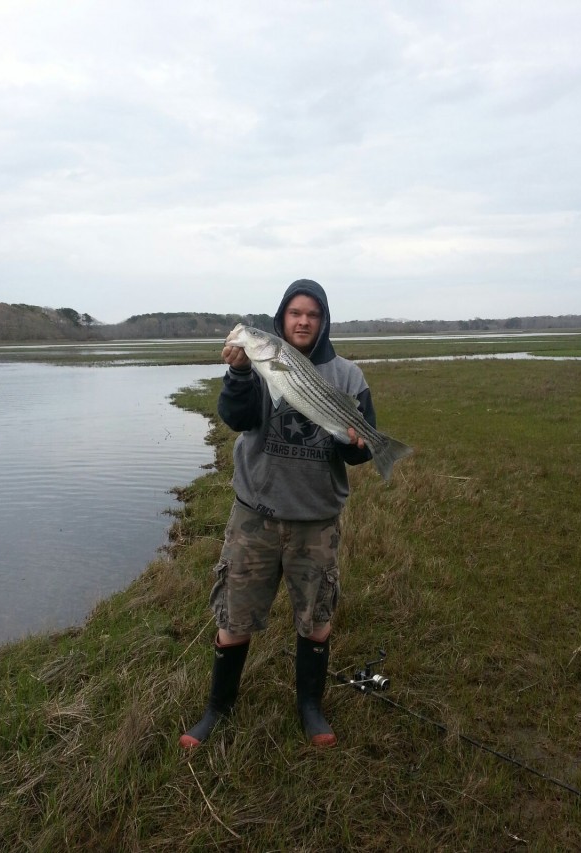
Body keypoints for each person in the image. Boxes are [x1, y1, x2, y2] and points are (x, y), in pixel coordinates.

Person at [180, 279, 376, 749]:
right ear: (280, 321)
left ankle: (310, 707)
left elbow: (360, 452)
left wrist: (354, 444)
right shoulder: (261, 365)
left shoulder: (348, 376)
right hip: (255, 516)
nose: (303, 320)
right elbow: (237, 418)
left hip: (317, 519)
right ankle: (217, 711)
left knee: (316, 617)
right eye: (294, 313)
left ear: (323, 320)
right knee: (234, 616)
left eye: (312, 313)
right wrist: (241, 374)